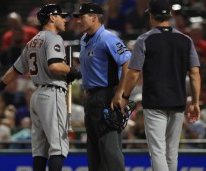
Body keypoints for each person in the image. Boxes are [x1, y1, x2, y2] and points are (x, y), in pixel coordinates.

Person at [0, 4, 81, 171]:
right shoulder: (54, 38)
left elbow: (16, 69)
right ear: (52, 18)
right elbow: (55, 66)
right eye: (61, 16)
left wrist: (0, 86)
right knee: (58, 146)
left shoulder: (32, 41)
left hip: (37, 96)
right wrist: (74, 71)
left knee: (40, 150)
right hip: (51, 92)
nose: (65, 19)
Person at [120, 1, 201, 171]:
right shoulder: (185, 40)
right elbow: (194, 73)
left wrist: (125, 97)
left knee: (158, 151)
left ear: (151, 15)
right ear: (170, 14)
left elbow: (134, 73)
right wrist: (195, 101)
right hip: (178, 101)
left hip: (155, 102)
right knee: (172, 152)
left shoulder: (144, 39)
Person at [73, 2, 131, 171]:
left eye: (81, 17)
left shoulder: (108, 37)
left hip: (107, 95)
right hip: (91, 97)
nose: (78, 21)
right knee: (94, 150)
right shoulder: (84, 39)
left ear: (94, 17)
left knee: (110, 149)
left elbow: (128, 62)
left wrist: (120, 93)